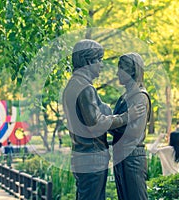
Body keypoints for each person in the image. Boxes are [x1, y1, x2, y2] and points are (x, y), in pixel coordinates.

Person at [62, 40, 144, 200]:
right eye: (99, 60)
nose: (101, 65)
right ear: (88, 61)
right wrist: (127, 116)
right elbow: (96, 124)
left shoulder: (72, 85)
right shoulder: (85, 88)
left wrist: (104, 109)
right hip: (92, 157)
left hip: (82, 155)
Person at [109, 53, 150, 200]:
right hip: (121, 154)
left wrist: (110, 124)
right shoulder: (124, 97)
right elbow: (119, 128)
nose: (117, 72)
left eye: (121, 68)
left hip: (132, 156)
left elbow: (133, 132)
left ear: (132, 71)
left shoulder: (140, 96)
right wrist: (114, 123)